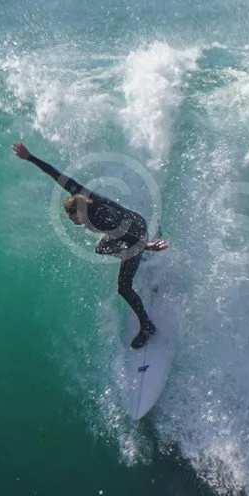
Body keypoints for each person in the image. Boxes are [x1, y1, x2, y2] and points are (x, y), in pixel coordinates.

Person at [13, 142, 168, 348]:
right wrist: (30, 157)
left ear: (80, 213)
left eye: (74, 219)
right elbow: (56, 175)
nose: (73, 222)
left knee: (123, 288)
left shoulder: (100, 220)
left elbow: (131, 239)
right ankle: (145, 258)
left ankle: (147, 325)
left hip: (136, 234)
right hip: (136, 221)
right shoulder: (83, 195)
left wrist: (147, 246)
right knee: (100, 248)